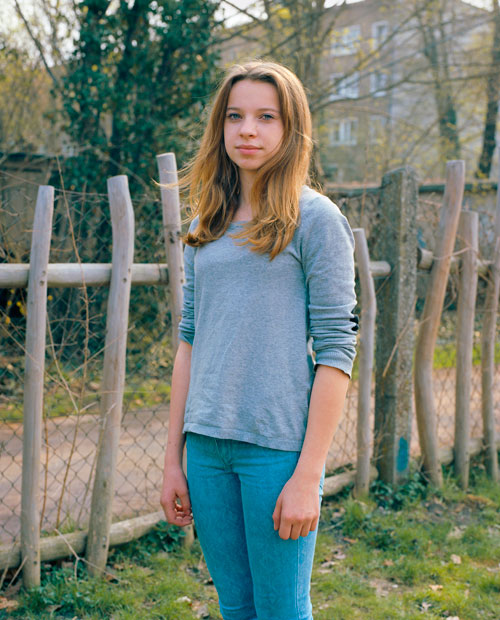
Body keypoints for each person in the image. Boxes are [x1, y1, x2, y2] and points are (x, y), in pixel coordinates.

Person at [160, 60, 358, 620]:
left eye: (266, 117)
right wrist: (173, 460)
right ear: (219, 127)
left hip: (276, 452)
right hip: (206, 451)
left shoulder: (316, 220)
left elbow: (337, 352)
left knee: (281, 610)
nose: (248, 130)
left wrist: (308, 476)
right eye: (235, 116)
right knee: (236, 608)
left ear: (291, 129)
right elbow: (189, 342)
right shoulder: (205, 224)